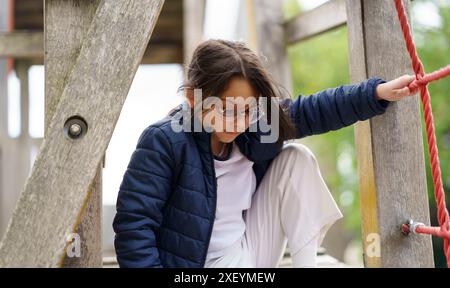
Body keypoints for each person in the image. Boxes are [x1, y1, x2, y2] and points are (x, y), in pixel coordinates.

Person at [112, 39, 417, 268]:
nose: (241, 121)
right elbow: (134, 225)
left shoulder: (254, 125)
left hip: (248, 254)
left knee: (296, 158)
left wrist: (375, 94)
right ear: (194, 99)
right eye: (228, 111)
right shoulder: (165, 141)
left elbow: (312, 111)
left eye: (248, 110)